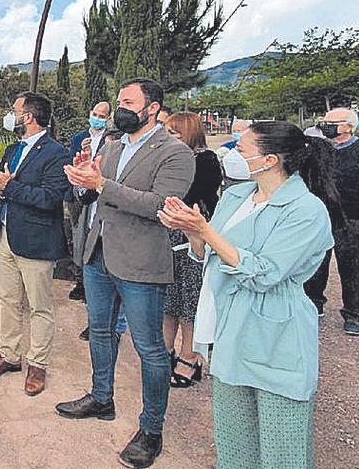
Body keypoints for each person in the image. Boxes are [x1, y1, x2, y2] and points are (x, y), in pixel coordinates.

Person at [159, 121, 339, 469]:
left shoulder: (306, 210)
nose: (233, 156)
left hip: (274, 334)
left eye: (241, 150)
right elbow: (207, 254)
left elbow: (266, 273)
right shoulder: (237, 195)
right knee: (234, 439)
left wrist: (205, 230)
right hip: (230, 329)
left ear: (270, 159)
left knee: (281, 445)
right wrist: (191, 231)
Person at [57, 78, 194, 469]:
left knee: (149, 348)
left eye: (128, 102)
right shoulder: (113, 146)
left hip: (140, 262)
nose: (120, 108)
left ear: (152, 108)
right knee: (100, 331)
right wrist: (83, 183)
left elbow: (158, 206)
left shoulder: (175, 152)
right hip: (99, 254)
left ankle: (151, 430)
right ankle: (102, 398)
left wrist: (100, 184)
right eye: (119, 101)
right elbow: (95, 195)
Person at [0, 92, 70, 396]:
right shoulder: (11, 149)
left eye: (14, 110)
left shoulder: (57, 153)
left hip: (37, 240)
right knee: (7, 299)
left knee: (39, 306)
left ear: (28, 117)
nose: (11, 115)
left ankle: (38, 364)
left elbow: (50, 198)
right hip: (4, 237)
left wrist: (10, 186)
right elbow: (5, 190)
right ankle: (9, 355)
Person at [304, 107, 359, 336]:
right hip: (319, 216)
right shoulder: (315, 150)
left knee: (352, 266)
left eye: (331, 122)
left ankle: (353, 314)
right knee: (316, 263)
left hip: (352, 218)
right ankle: (314, 304)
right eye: (323, 121)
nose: (325, 125)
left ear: (348, 126)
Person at [161, 112, 222, 388]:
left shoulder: (205, 160)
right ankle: (164, 352)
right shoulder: (169, 158)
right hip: (168, 235)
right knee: (168, 297)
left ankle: (190, 356)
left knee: (190, 299)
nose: (167, 138)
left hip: (192, 236)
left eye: (174, 133)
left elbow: (187, 194)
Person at [68, 101, 112, 305]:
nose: (97, 118)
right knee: (79, 237)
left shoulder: (111, 140)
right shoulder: (79, 138)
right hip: (80, 196)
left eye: (102, 116)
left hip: (99, 197)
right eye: (95, 114)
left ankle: (90, 285)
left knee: (92, 238)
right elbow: (70, 164)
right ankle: (80, 280)